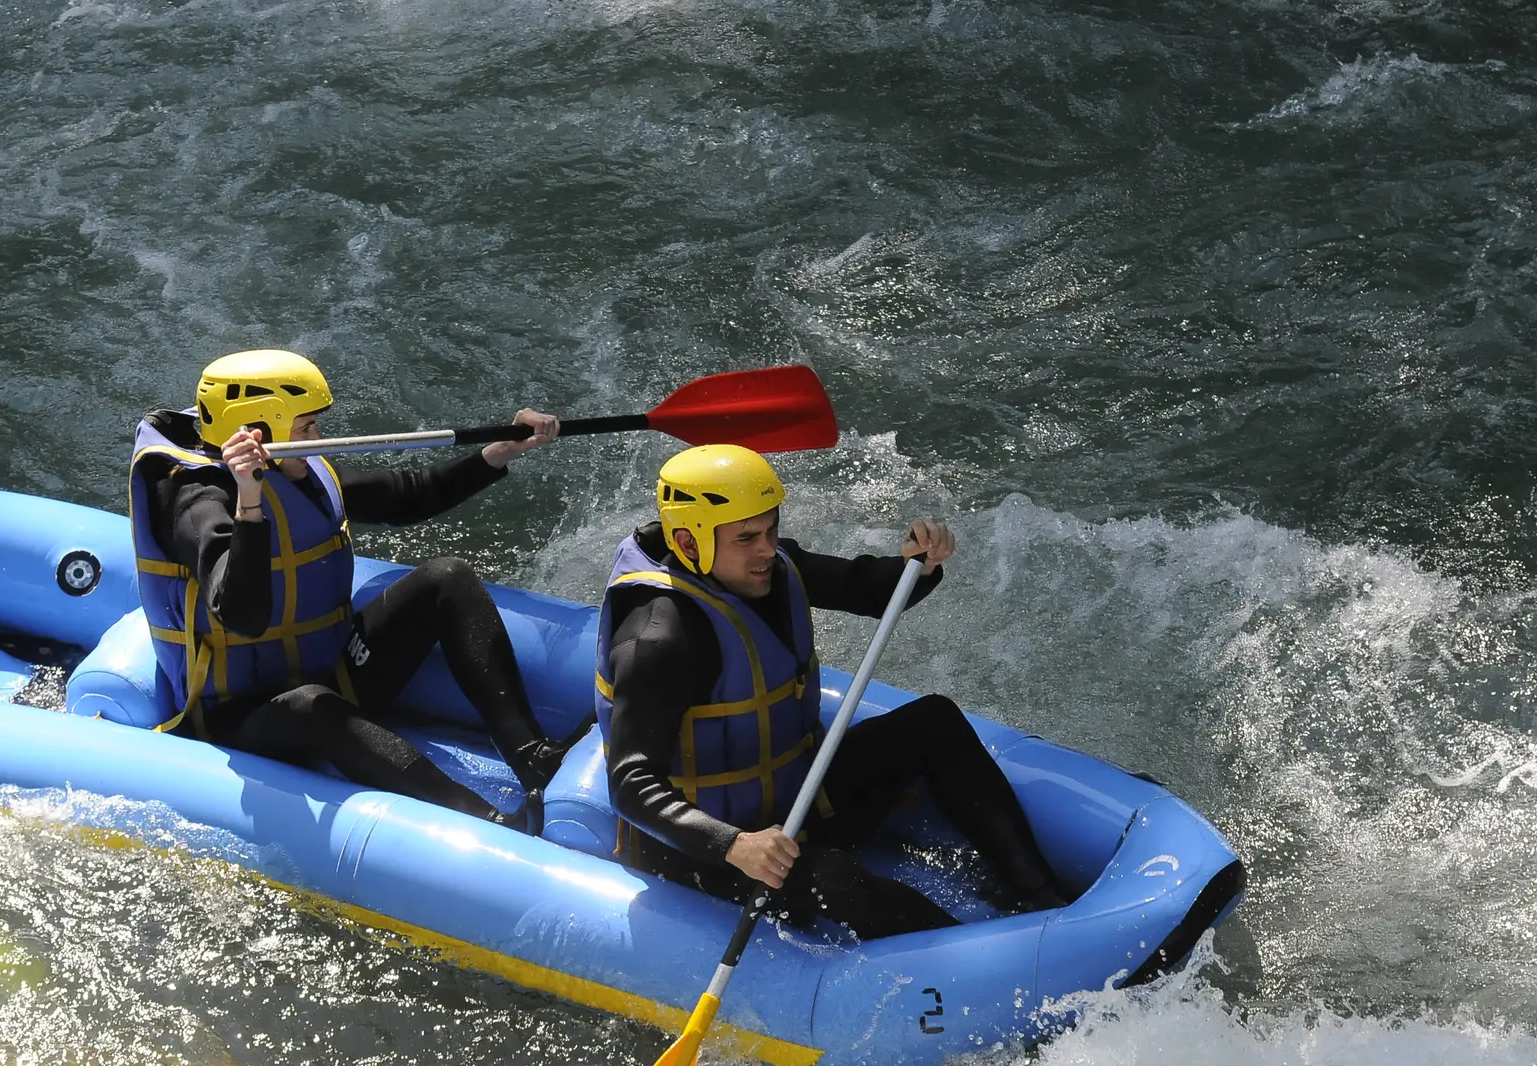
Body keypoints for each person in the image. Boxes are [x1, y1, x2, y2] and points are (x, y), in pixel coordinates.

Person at [594, 444, 1068, 938]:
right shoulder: (657, 639)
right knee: (832, 877)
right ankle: (981, 956)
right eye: (747, 537)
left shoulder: (769, 567)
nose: (767, 548)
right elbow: (630, 784)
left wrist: (917, 564)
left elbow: (862, 587)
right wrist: (735, 845)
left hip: (796, 798)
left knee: (933, 721)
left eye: (770, 529)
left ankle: (1041, 898)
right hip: (706, 853)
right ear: (689, 544)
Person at [129, 349, 573, 832]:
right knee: (310, 704)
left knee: (447, 578)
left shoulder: (297, 467)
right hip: (242, 716)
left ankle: (533, 757)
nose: (318, 439)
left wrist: (499, 452)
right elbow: (243, 616)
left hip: (330, 670)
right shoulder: (195, 499)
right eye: (307, 428)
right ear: (260, 433)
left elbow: (406, 495)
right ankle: (487, 821)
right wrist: (250, 502)